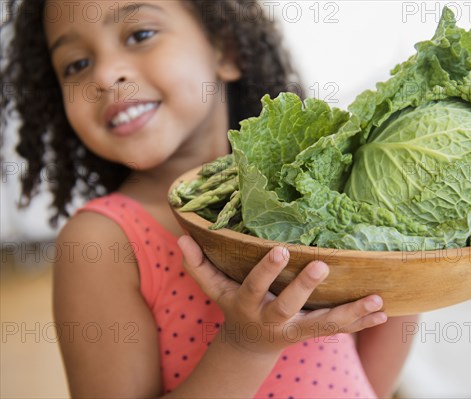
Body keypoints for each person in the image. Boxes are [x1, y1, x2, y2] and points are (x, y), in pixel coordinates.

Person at [1, 0, 418, 397]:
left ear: (226, 49)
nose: (106, 75)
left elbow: (362, 384)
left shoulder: (308, 195)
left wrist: (413, 270)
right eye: (77, 64)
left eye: (140, 34)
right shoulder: (101, 243)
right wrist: (246, 346)